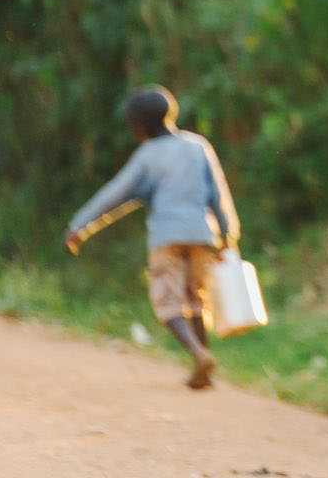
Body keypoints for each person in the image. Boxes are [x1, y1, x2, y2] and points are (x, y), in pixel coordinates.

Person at [65, 85, 240, 390]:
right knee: (197, 299)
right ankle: (205, 365)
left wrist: (80, 227)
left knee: (168, 301)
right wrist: (228, 233)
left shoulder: (147, 156)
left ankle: (198, 354)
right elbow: (218, 192)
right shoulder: (198, 146)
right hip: (202, 234)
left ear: (137, 125)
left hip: (166, 238)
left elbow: (115, 195)